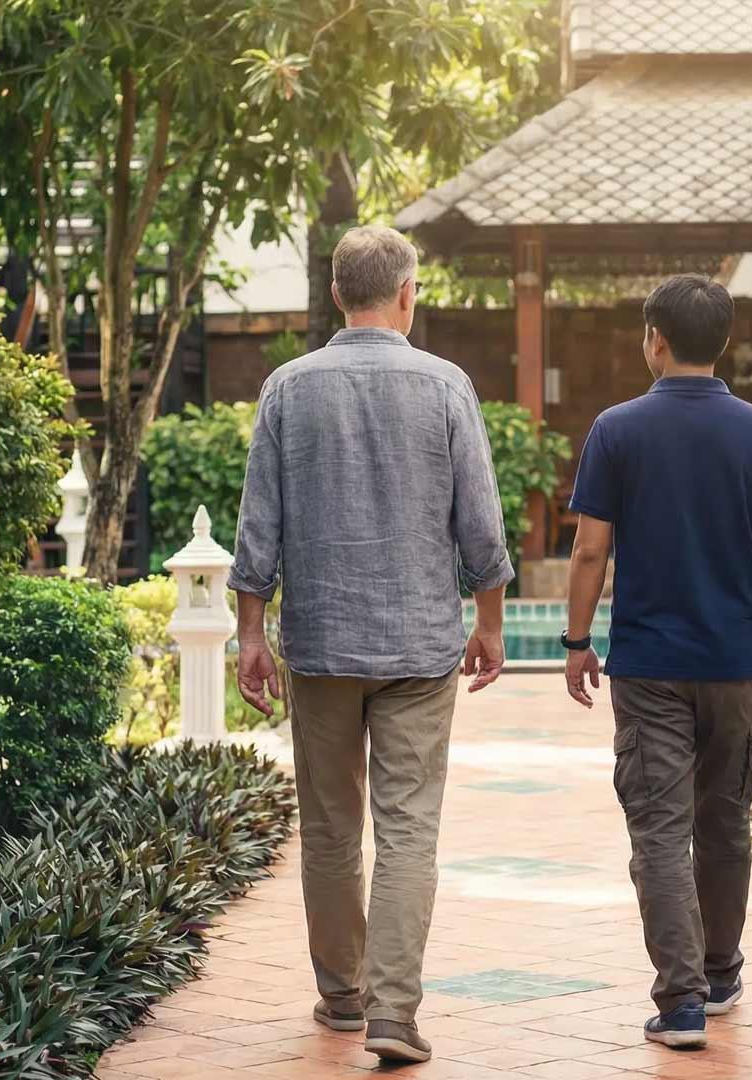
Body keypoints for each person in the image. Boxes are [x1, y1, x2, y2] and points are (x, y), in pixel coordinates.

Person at [229, 224, 513, 1064]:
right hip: (420, 648)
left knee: (327, 827)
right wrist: (490, 622)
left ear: (335, 296)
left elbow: (258, 529)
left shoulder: (288, 388)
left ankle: (342, 996)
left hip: (318, 644)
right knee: (408, 830)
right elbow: (482, 525)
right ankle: (394, 1013)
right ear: (407, 294)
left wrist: (251, 634)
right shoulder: (446, 386)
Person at [559, 273, 752, 1050]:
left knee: (660, 832)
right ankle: (722, 972)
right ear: (723, 342)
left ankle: (683, 1004)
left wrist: (574, 643)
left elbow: (590, 546)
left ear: (654, 340)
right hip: (734, 663)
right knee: (725, 819)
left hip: (649, 666)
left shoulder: (616, 428)